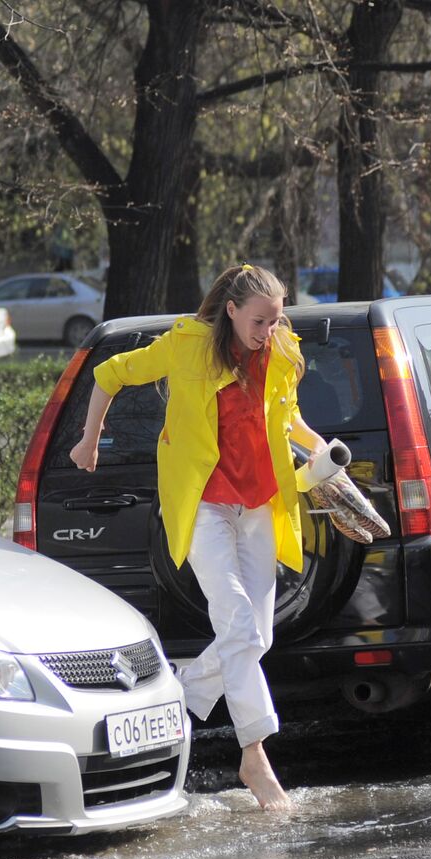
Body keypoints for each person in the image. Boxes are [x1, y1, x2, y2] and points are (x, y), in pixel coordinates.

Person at [70, 264, 328, 809]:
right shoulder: (185, 346)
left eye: (277, 319)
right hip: (205, 505)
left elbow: (289, 420)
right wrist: (89, 442)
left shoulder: (280, 352)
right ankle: (255, 756)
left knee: (257, 635)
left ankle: (185, 687)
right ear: (231, 311)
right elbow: (108, 376)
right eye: (260, 320)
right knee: (236, 620)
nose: (269, 330)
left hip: (260, 505)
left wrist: (326, 454)